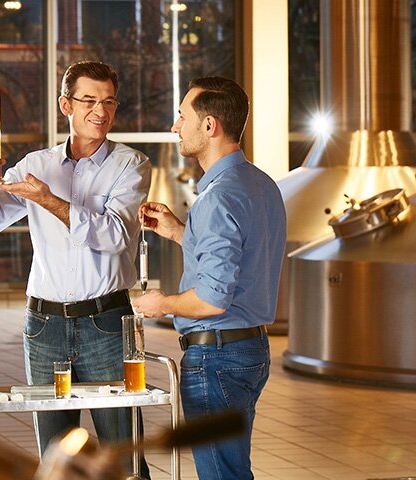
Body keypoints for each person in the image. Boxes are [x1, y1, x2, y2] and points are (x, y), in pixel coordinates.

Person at [0, 60, 151, 478]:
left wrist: (48, 201)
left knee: (123, 454)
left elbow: (115, 236)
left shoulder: (131, 165)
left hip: (107, 323)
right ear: (66, 105)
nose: (100, 111)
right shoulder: (36, 164)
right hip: (44, 327)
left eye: (108, 102)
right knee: (55, 459)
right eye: (88, 101)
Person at [132, 77, 286, 479]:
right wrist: (181, 232)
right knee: (234, 470)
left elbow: (212, 300)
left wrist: (159, 304)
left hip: (216, 358)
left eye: (182, 116)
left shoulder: (217, 197)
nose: (175, 126)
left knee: (221, 474)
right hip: (251, 351)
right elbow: (244, 259)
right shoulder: (260, 184)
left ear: (209, 125)